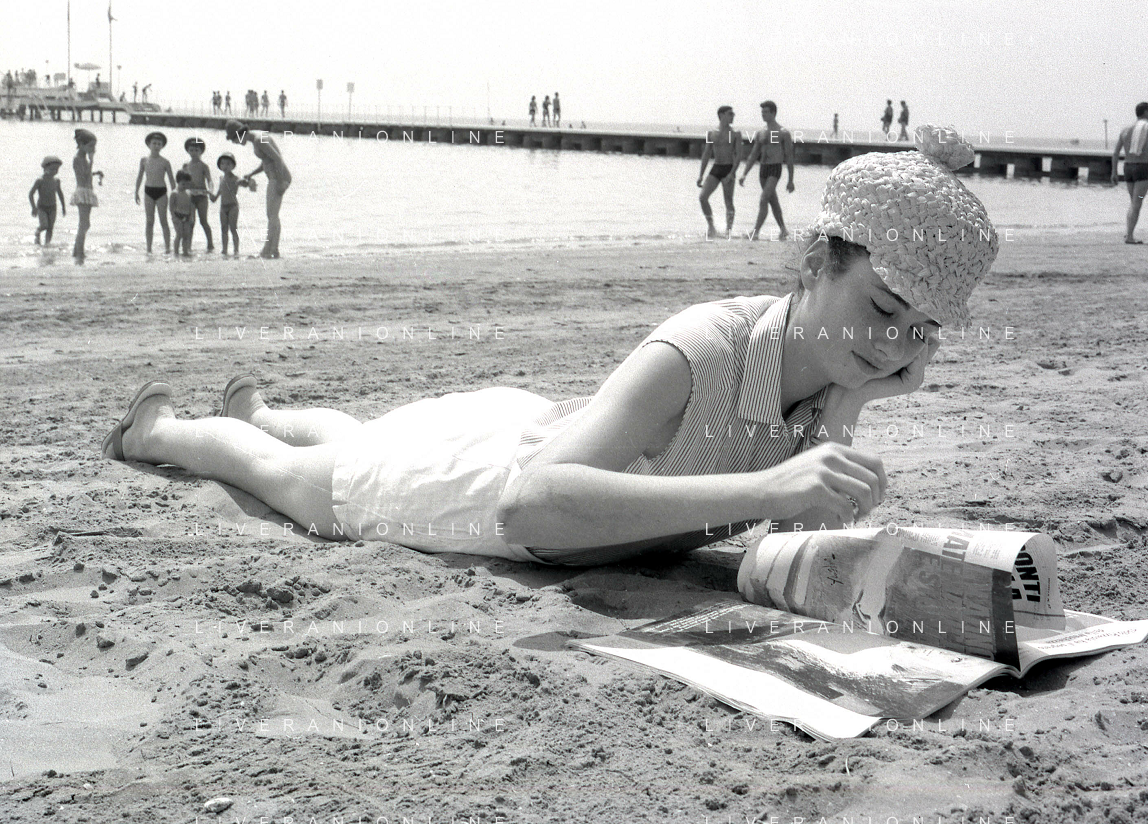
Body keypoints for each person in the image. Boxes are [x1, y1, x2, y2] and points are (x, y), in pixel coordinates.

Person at [101, 124, 997, 568]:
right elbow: (529, 507)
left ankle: (264, 407)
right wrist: (767, 488)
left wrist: (859, 395)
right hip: (472, 487)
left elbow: (794, 546)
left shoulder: (831, 376)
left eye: (921, 331)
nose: (894, 344)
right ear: (814, 264)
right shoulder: (704, 348)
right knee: (284, 477)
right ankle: (161, 430)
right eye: (883, 308)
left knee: (360, 438)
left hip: (542, 431)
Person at [225, 119, 292, 258]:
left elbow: (278, 159)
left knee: (272, 215)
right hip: (276, 177)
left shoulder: (258, 140)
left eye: (234, 139)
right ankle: (273, 249)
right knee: (272, 215)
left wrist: (280, 182)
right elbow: (267, 161)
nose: (235, 143)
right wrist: (251, 174)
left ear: (240, 134)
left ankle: (268, 250)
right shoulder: (257, 138)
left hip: (278, 177)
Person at [739, 100, 795, 241]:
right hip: (763, 169)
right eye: (762, 112)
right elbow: (753, 155)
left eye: (766, 112)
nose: (763, 114)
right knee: (772, 201)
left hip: (775, 168)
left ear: (773, 113)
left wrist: (790, 180)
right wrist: (744, 174)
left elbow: (789, 157)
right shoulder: (761, 133)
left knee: (764, 198)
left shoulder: (783, 133)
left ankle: (755, 232)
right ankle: (783, 230)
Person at [1110, 102, 1148, 244]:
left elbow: (1115, 153)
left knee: (1133, 202)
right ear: (1145, 112)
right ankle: (1130, 236)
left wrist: (1114, 172)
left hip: (1128, 168)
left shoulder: (1125, 130)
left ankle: (1129, 233)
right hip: (1142, 168)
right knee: (1137, 203)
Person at [696, 105, 742, 239]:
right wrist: (701, 175)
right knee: (702, 197)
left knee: (728, 201)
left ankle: (728, 231)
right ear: (721, 115)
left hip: (728, 168)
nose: (733, 116)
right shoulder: (711, 133)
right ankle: (711, 226)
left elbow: (739, 155)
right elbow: (706, 154)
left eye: (733, 114)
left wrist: (732, 173)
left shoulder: (735, 133)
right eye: (730, 114)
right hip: (716, 168)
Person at [135, 132, 174, 254]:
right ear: (149, 144)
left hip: (161, 192)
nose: (156, 146)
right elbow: (140, 176)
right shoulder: (144, 160)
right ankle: (149, 249)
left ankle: (167, 248)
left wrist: (175, 195)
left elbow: (171, 180)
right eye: (154, 143)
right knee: (149, 221)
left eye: (159, 144)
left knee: (163, 220)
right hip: (148, 191)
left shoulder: (165, 162)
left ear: (162, 146)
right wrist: (136, 191)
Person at [68, 128, 103, 261]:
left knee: (85, 224)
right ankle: (79, 252)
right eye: (91, 146)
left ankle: (76, 250)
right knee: (83, 224)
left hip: (86, 190)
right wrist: (92, 161)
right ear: (81, 144)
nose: (93, 149)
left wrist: (95, 173)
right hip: (82, 192)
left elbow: (86, 174)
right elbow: (83, 176)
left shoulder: (82, 158)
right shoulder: (78, 158)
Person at [209, 152, 251, 256]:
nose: (225, 166)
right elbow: (219, 193)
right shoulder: (221, 178)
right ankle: (224, 250)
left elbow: (244, 184)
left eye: (228, 164)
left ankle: (236, 250)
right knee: (223, 229)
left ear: (233, 166)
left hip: (233, 206)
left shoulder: (236, 178)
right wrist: (210, 194)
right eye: (223, 164)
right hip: (223, 207)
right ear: (220, 165)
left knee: (233, 228)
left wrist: (246, 182)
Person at [183, 137, 216, 252]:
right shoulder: (186, 166)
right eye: (191, 150)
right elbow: (182, 181)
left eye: (196, 150)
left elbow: (209, 180)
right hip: (190, 196)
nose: (194, 153)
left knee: (203, 221)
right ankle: (188, 246)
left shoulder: (204, 166)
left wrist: (211, 191)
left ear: (201, 151)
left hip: (202, 196)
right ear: (188, 151)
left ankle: (210, 245)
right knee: (190, 222)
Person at [29, 156, 66, 245]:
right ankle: (37, 232)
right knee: (44, 225)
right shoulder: (40, 180)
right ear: (45, 168)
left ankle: (47, 244)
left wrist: (63, 207)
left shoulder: (56, 181)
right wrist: (33, 207)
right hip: (42, 207)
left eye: (57, 169)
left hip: (53, 207)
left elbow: (60, 194)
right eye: (52, 169)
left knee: (50, 228)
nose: (55, 171)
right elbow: (31, 194)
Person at [169, 171, 196, 256]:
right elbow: (171, 207)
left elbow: (191, 206)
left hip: (187, 216)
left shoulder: (188, 193)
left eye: (187, 184)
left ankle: (185, 252)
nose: (185, 186)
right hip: (178, 216)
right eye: (183, 184)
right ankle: (176, 252)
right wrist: (173, 217)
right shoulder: (174, 193)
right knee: (179, 234)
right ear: (178, 182)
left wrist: (192, 216)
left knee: (186, 235)